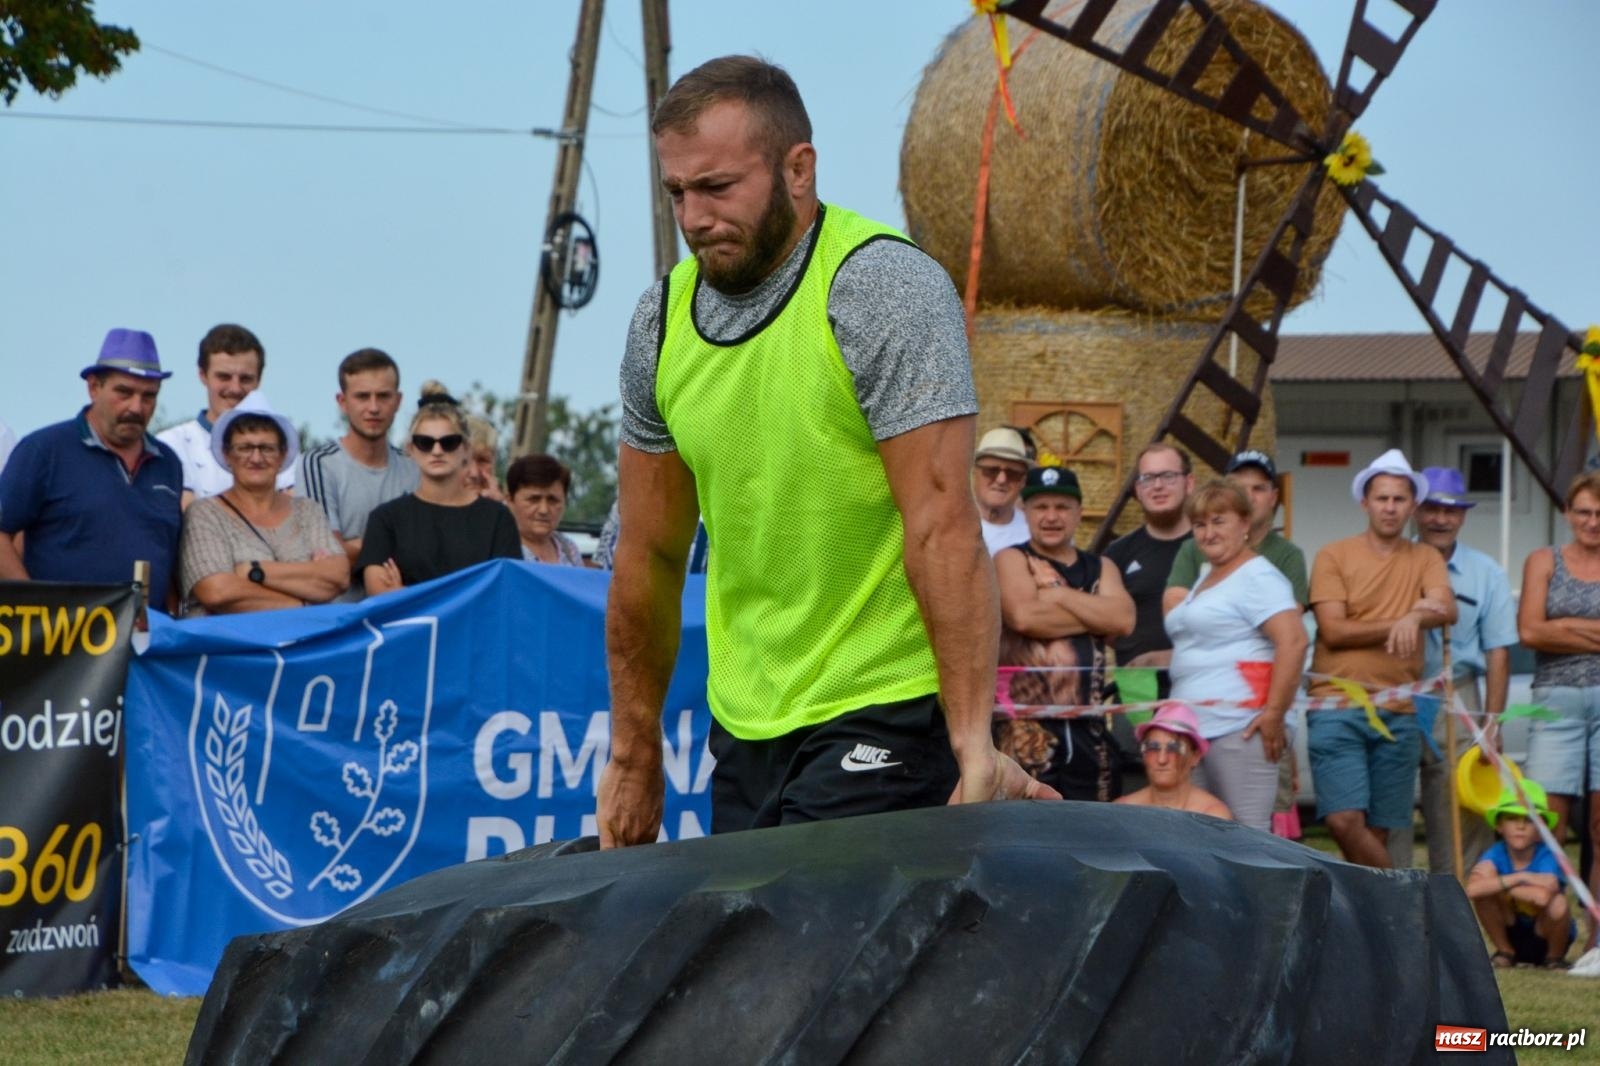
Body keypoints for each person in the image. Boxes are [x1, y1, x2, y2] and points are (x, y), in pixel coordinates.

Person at [599, 55, 1059, 847]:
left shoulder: (880, 286)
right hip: (747, 720)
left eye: (717, 187)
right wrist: (634, 756)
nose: (695, 216)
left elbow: (942, 527)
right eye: (678, 192)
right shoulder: (661, 322)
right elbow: (649, 556)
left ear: (798, 168)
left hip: (886, 699)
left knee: (809, 941)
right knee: (749, 958)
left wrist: (972, 743)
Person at [1307, 448, 1455, 868]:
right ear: (1364, 503)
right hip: (1336, 702)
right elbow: (1334, 630)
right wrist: (1402, 623)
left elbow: (1446, 607)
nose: (1390, 507)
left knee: (1379, 829)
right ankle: (1403, 894)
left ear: (1412, 507)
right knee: (1342, 819)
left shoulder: (1425, 556)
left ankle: (1364, 923)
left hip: (1401, 707)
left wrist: (1416, 614)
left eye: (1399, 499)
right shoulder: (1333, 555)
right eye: (1382, 498)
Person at [1384, 466, 1517, 871]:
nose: (1441, 519)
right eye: (1432, 509)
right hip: (1396, 690)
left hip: (1456, 694)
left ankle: (1455, 905)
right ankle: (1396, 901)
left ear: (1463, 516)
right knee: (1392, 810)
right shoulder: (1390, 561)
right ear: (1415, 511)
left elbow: (1498, 652)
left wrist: (1492, 723)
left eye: (1452, 510)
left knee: (1458, 809)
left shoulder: (1487, 572)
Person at [0, 329, 183, 610]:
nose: (136, 406)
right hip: (65, 643)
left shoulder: (167, 463)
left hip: (146, 642)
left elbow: (168, 556)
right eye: (124, 392)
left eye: (149, 396)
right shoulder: (44, 450)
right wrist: (34, 608)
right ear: (94, 387)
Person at [1162, 480, 1306, 832]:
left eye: (1219, 521)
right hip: (1195, 727)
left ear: (1245, 523)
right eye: (1200, 524)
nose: (1208, 533)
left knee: (1245, 836)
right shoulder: (1207, 576)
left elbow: (1294, 641)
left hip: (1238, 728)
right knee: (1199, 836)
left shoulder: (1257, 576)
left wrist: (1274, 714)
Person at [994, 464, 1135, 800]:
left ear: (1078, 513)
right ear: (1024, 511)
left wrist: (1057, 595)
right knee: (1025, 828)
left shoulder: (1102, 567)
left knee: (1092, 827)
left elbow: (1125, 621)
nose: (1051, 516)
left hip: (1090, 728)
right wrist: (1097, 614)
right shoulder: (1011, 559)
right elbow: (1025, 617)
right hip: (1026, 731)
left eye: (1062, 507)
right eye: (1041, 507)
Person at [1518, 470, 1600, 973]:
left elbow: (1546, 629)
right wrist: (1587, 630)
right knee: (1548, 822)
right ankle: (1550, 940)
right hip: (1555, 699)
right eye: (1584, 511)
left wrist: (1562, 626)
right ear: (1568, 514)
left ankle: (1597, 939)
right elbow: (1528, 629)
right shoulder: (1543, 560)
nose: (1593, 521)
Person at [177, 393, 348, 615]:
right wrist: (302, 603)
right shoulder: (204, 513)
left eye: (267, 448)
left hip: (301, 647)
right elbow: (216, 592)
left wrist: (253, 570)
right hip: (229, 645)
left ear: (283, 454)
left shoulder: (308, 511)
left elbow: (339, 576)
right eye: (245, 448)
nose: (256, 458)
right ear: (227, 454)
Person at [357, 395, 519, 595]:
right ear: (411, 449)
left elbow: (505, 591)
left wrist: (406, 593)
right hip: (411, 627)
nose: (437, 451)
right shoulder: (386, 519)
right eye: (425, 442)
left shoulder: (498, 518)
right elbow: (380, 594)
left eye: (449, 442)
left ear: (466, 449)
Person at [296, 348, 420, 591]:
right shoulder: (318, 464)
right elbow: (326, 558)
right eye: (362, 396)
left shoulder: (414, 469)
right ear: (342, 402)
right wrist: (399, 544)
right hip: (339, 615)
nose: (373, 408)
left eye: (383, 396)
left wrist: (353, 547)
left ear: (398, 401)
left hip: (400, 614)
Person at [156, 324, 290, 508]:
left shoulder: (284, 448)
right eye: (224, 377)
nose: (235, 389)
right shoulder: (171, 445)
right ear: (202, 375)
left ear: (259, 380)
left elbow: (292, 518)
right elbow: (188, 520)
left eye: (245, 379)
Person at [1164, 450, 1307, 607]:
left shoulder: (1289, 555)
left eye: (1258, 489)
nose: (1248, 496)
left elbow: (1289, 616)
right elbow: (1173, 607)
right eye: (1239, 488)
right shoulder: (1193, 547)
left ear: (1273, 498)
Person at [1104, 443, 1195, 678]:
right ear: (1138, 489)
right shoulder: (1116, 554)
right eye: (1148, 478)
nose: (1157, 486)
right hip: (1137, 691)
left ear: (1189, 483)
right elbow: (1106, 624)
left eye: (1168, 476)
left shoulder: (1210, 547)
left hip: (1200, 686)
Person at [1466, 781, 1574, 970]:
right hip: (1512, 928)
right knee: (1484, 897)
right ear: (1499, 826)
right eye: (1512, 818)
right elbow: (1472, 890)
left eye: (1529, 820)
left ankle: (1554, 958)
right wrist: (1523, 878)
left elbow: (1541, 898)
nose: (1520, 826)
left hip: (1543, 931)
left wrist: (1497, 884)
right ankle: (1505, 952)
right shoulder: (1496, 852)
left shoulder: (1548, 854)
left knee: (1559, 904)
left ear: (1541, 831)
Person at [1114, 702, 1233, 818]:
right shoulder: (1120, 812)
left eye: (1174, 748)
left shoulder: (1212, 816)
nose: (1162, 759)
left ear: (1195, 757)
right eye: (1153, 747)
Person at [506, 454, 584, 566]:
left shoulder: (569, 550)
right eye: (534, 499)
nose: (544, 510)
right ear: (510, 501)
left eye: (553, 500)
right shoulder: (498, 550)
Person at [973, 426, 1031, 555]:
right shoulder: (949, 524)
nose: (1001, 480)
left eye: (1012, 474)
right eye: (991, 471)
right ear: (974, 473)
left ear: (1023, 481)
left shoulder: (1034, 533)